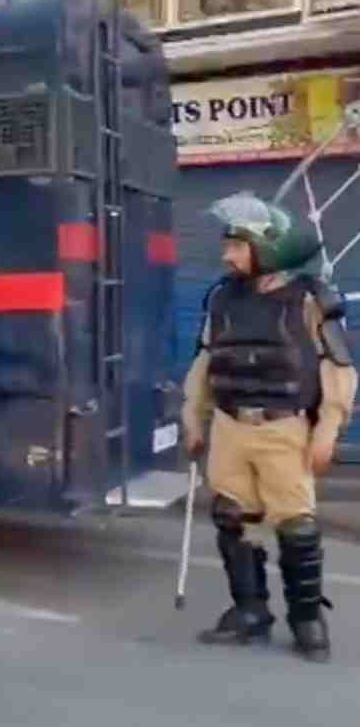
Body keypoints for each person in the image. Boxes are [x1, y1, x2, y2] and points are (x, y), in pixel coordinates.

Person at [183, 193, 357, 663]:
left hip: (284, 430)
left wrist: (328, 429)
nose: (227, 255)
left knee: (296, 526)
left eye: (237, 246)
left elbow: (338, 368)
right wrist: (193, 417)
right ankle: (250, 610)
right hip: (230, 427)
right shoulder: (221, 298)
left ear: (266, 248)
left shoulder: (310, 299)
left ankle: (306, 619)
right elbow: (205, 361)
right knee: (232, 517)